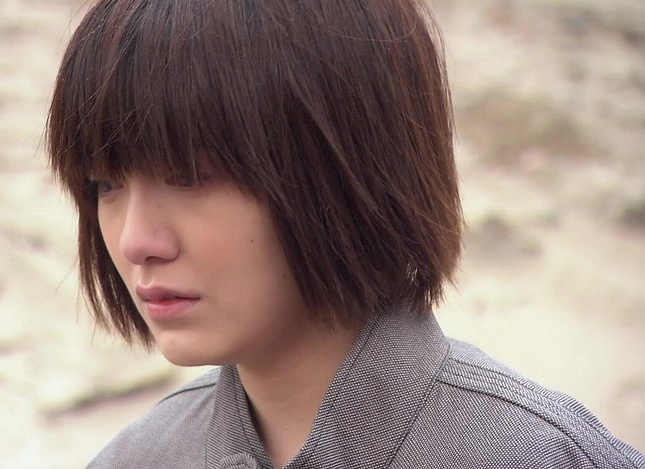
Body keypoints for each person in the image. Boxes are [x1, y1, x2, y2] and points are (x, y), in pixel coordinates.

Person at [46, 0, 645, 467]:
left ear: (344, 170)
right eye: (104, 184)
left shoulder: (536, 455)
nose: (135, 241)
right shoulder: (140, 458)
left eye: (190, 176)